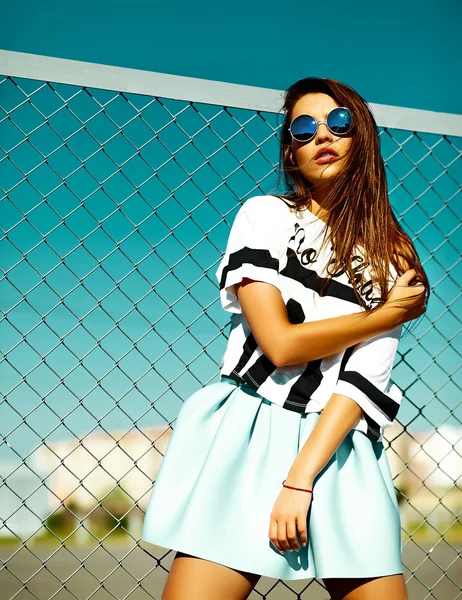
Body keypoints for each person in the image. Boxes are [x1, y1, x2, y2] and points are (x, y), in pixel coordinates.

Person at [140, 77, 429, 600]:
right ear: (291, 153)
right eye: (304, 128)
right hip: (252, 426)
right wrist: (384, 314)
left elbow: (363, 380)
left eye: (338, 123)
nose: (323, 135)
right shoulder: (265, 215)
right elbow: (281, 345)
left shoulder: (396, 255)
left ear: (360, 137)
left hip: (338, 443)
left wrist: (301, 479)